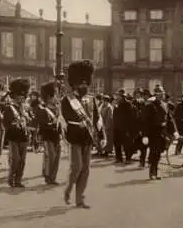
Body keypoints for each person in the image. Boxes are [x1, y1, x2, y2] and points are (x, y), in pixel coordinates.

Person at [61, 60, 106, 207]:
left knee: (86, 169)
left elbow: (97, 118)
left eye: (86, 83)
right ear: (74, 84)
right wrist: (77, 124)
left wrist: (102, 135)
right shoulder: (67, 100)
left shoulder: (91, 99)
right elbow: (65, 118)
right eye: (82, 84)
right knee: (77, 167)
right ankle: (68, 189)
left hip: (88, 138)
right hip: (74, 137)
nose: (85, 86)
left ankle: (79, 199)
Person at [141, 84, 178, 180]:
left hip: (162, 132)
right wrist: (145, 135)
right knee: (154, 152)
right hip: (153, 132)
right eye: (158, 93)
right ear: (155, 94)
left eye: (162, 93)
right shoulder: (150, 106)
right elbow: (145, 121)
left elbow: (170, 119)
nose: (161, 95)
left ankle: (155, 172)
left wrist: (174, 131)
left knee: (158, 153)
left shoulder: (165, 105)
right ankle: (152, 173)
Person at [3, 79, 31, 188]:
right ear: (15, 96)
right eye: (20, 96)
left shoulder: (24, 109)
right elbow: (6, 123)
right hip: (13, 137)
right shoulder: (9, 108)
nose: (22, 98)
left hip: (23, 136)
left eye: (23, 96)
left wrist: (27, 118)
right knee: (15, 159)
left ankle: (18, 180)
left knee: (22, 161)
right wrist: (15, 123)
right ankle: (11, 178)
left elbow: (30, 120)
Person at [38, 81, 63, 185]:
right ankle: (48, 176)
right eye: (54, 96)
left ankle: (53, 177)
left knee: (57, 157)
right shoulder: (43, 110)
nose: (56, 98)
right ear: (49, 98)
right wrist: (52, 124)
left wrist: (61, 132)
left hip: (56, 136)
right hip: (48, 136)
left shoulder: (57, 109)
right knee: (51, 156)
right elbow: (43, 125)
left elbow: (60, 123)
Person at [113, 89, 135, 164]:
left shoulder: (128, 104)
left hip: (125, 128)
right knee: (117, 143)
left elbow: (131, 117)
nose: (117, 97)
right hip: (117, 127)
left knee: (126, 144)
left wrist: (129, 129)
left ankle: (128, 158)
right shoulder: (116, 104)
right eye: (117, 95)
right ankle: (118, 158)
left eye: (119, 96)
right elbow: (114, 116)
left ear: (123, 96)